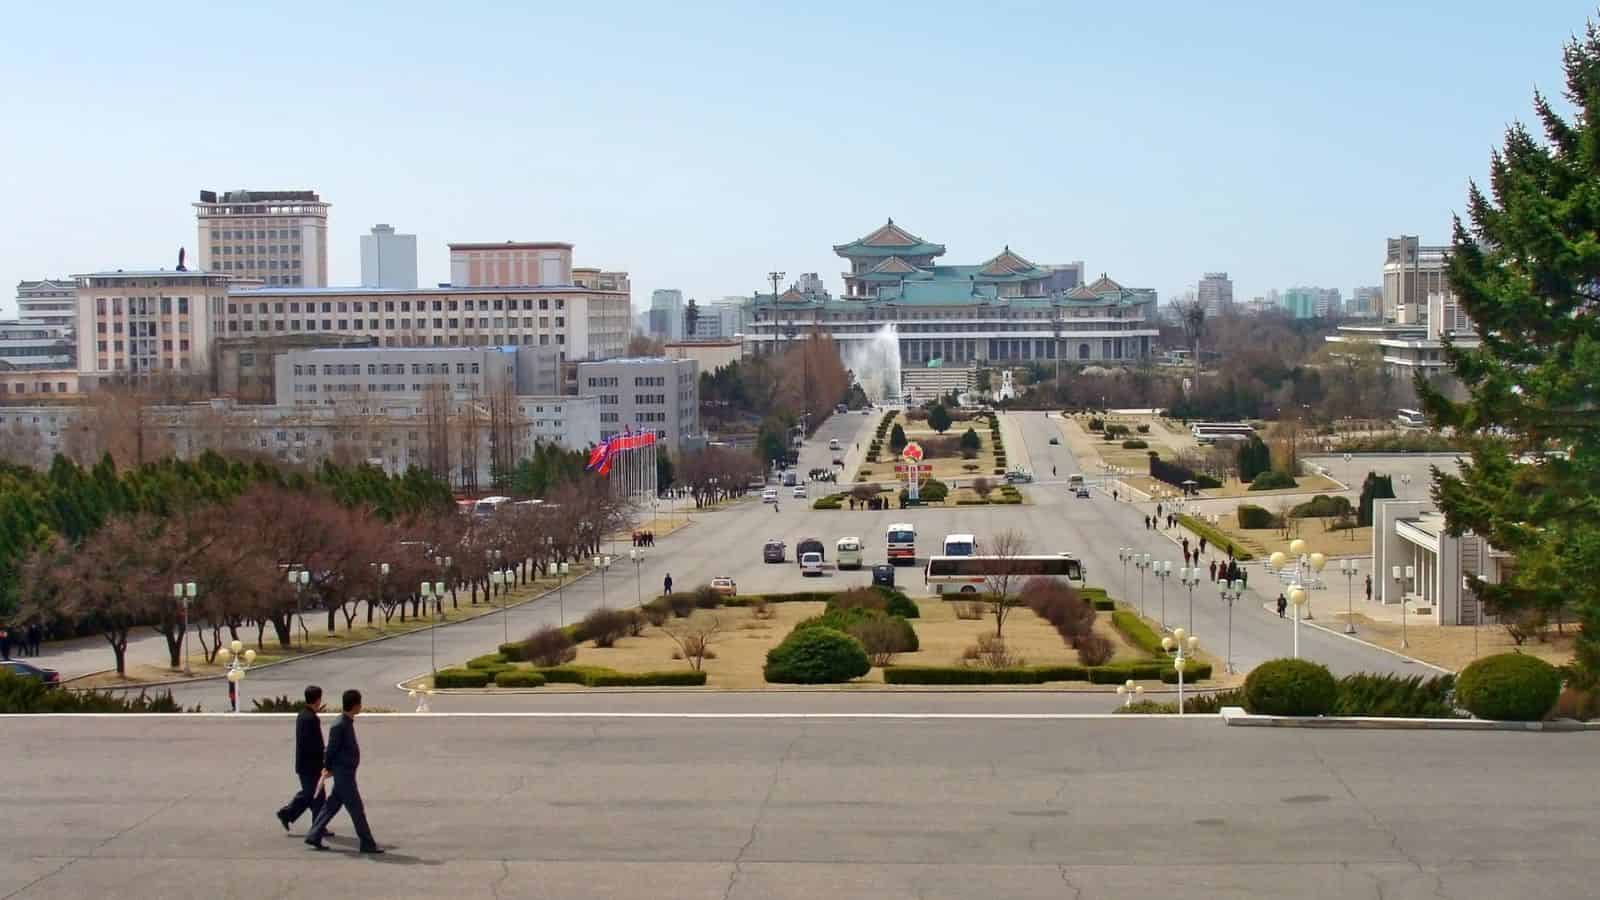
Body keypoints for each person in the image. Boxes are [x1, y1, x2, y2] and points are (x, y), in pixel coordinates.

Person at [305, 689, 381, 854]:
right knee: (357, 810)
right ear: (355, 705)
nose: (361, 706)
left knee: (331, 807)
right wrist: (328, 768)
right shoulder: (340, 725)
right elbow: (331, 750)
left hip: (345, 774)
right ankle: (367, 843)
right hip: (344, 776)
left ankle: (314, 834)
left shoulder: (345, 722)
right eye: (359, 703)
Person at [277, 686, 330, 835]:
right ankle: (315, 826)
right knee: (315, 796)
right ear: (318, 700)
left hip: (304, 764)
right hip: (310, 766)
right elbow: (315, 744)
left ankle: (291, 816)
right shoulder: (311, 719)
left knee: (312, 795)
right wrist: (324, 758)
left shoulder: (302, 715)